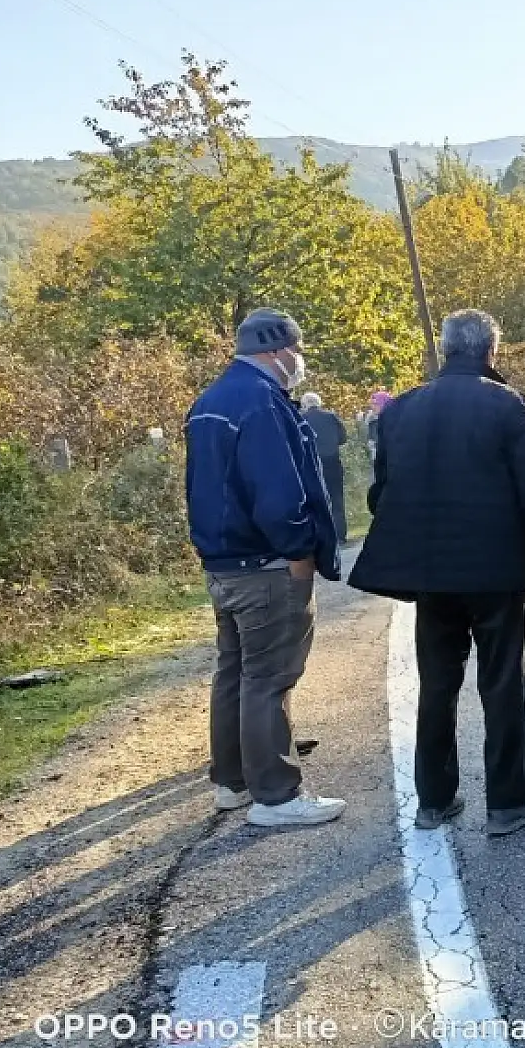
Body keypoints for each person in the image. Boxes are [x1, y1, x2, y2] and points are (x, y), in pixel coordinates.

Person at [349, 309, 525, 837]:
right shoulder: (505, 403)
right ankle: (508, 803)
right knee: (501, 685)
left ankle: (435, 800)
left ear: (446, 350)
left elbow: (380, 494)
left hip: (430, 574)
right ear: (490, 351)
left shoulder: (402, 409)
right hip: (496, 574)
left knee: (438, 683)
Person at [184, 308, 344, 829]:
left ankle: (230, 781)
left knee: (232, 671)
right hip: (266, 565)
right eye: (297, 351)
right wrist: (300, 554)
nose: (299, 362)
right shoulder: (263, 403)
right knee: (269, 678)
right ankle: (276, 796)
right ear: (280, 351)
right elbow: (279, 496)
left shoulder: (209, 402)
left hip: (223, 564)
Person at [301, 391, 349, 542]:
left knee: (318, 501)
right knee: (337, 499)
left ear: (304, 405)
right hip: (333, 462)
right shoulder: (331, 416)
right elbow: (343, 438)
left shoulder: (302, 419)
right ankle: (341, 534)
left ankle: (326, 536)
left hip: (314, 464)